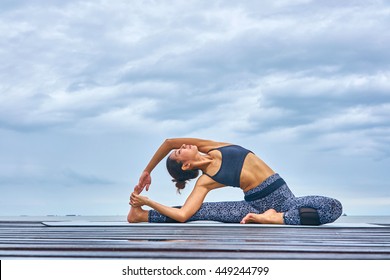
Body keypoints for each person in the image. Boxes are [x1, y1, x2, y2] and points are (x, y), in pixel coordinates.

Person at [128, 138, 342, 225]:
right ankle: (140, 216)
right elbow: (184, 215)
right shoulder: (206, 181)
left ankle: (277, 219)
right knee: (199, 211)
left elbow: (168, 142)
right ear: (185, 166)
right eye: (179, 152)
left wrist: (147, 170)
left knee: (333, 207)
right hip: (253, 206)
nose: (183, 145)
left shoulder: (212, 146)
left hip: (286, 202)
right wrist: (148, 203)